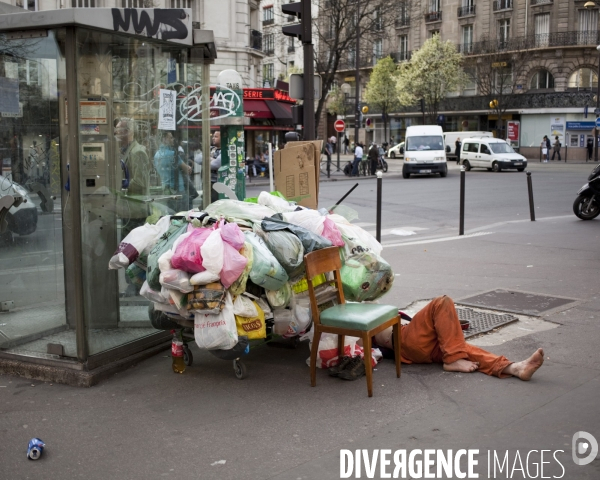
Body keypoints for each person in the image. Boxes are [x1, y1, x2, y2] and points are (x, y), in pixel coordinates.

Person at [373, 296, 544, 380]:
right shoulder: (359, 315)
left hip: (418, 345)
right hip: (404, 338)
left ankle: (514, 368)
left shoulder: (364, 310)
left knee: (461, 348)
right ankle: (453, 360)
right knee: (442, 302)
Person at [114, 117, 153, 297]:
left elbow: (139, 182)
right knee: (128, 247)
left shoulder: (138, 152)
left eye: (119, 131)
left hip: (135, 209)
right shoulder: (126, 151)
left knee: (132, 249)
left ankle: (135, 285)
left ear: (129, 132)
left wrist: (119, 185)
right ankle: (133, 284)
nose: (116, 134)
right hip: (128, 208)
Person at [153, 131, 190, 213]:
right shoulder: (172, 154)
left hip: (165, 188)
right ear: (164, 139)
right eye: (170, 137)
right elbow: (187, 169)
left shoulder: (157, 155)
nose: (173, 139)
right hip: (178, 189)